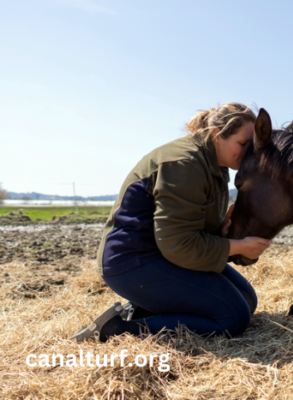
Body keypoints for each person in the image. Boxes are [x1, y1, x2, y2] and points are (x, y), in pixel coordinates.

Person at [72, 102, 272, 342]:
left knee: (247, 300)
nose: (248, 152)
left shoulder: (215, 165)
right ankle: (113, 331)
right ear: (218, 135)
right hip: (133, 262)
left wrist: (223, 233)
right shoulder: (184, 162)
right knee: (233, 318)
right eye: (242, 144)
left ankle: (147, 309)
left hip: (164, 255)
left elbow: (189, 229)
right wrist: (238, 246)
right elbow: (179, 243)